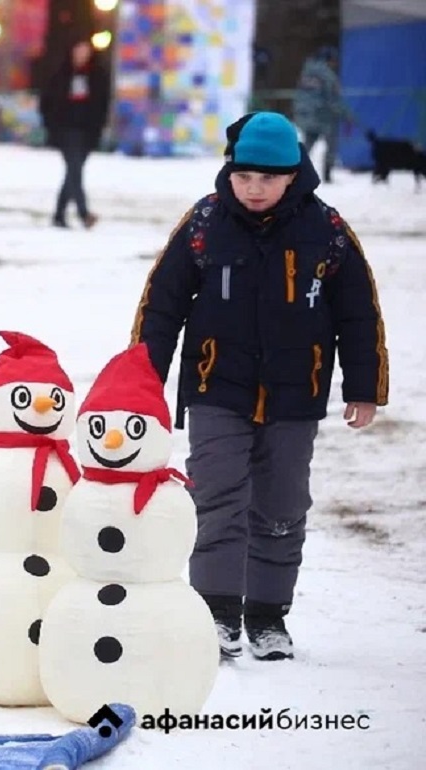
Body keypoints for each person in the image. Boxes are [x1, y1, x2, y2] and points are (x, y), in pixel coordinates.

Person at [130, 111, 388, 662]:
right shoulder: (205, 223)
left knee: (282, 503)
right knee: (218, 493)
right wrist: (142, 381)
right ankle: (217, 612)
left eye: (267, 179)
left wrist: (363, 387)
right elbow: (162, 304)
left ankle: (268, 616)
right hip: (216, 383)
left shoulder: (328, 232)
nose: (253, 188)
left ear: (292, 175)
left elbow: (359, 314)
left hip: (297, 391)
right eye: (244, 176)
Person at [39, 38, 110, 229]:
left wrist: (99, 125)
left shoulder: (97, 75)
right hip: (65, 130)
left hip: (87, 130)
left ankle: (59, 214)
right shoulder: (60, 74)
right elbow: (47, 101)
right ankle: (83, 213)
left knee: (73, 173)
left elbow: (103, 103)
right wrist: (51, 124)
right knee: (75, 170)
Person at [292, 46, 351, 184]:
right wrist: (347, 115)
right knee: (331, 145)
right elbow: (333, 100)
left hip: (306, 115)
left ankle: (295, 171)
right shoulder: (328, 75)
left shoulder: (306, 72)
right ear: (330, 60)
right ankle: (327, 174)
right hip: (325, 116)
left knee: (307, 145)